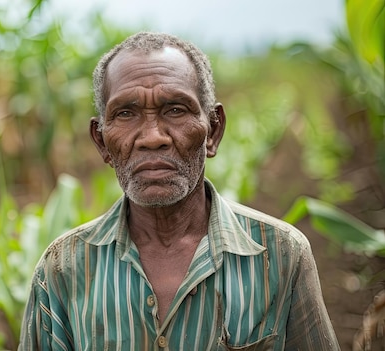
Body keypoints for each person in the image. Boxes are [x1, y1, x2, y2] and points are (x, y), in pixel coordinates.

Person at [18, 32, 340, 350]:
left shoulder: (282, 256)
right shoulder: (62, 269)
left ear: (213, 130)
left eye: (175, 110)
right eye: (126, 113)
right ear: (101, 141)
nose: (152, 137)